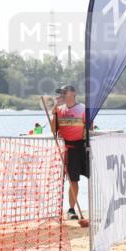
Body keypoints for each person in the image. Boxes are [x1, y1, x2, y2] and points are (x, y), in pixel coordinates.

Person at [51, 84, 88, 220]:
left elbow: (89, 127)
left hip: (84, 146)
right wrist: (54, 113)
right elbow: (53, 130)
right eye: (60, 93)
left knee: (93, 177)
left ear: (72, 93)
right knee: (73, 180)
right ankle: (71, 210)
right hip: (69, 148)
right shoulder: (59, 110)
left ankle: (98, 205)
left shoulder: (83, 109)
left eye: (64, 92)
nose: (61, 95)